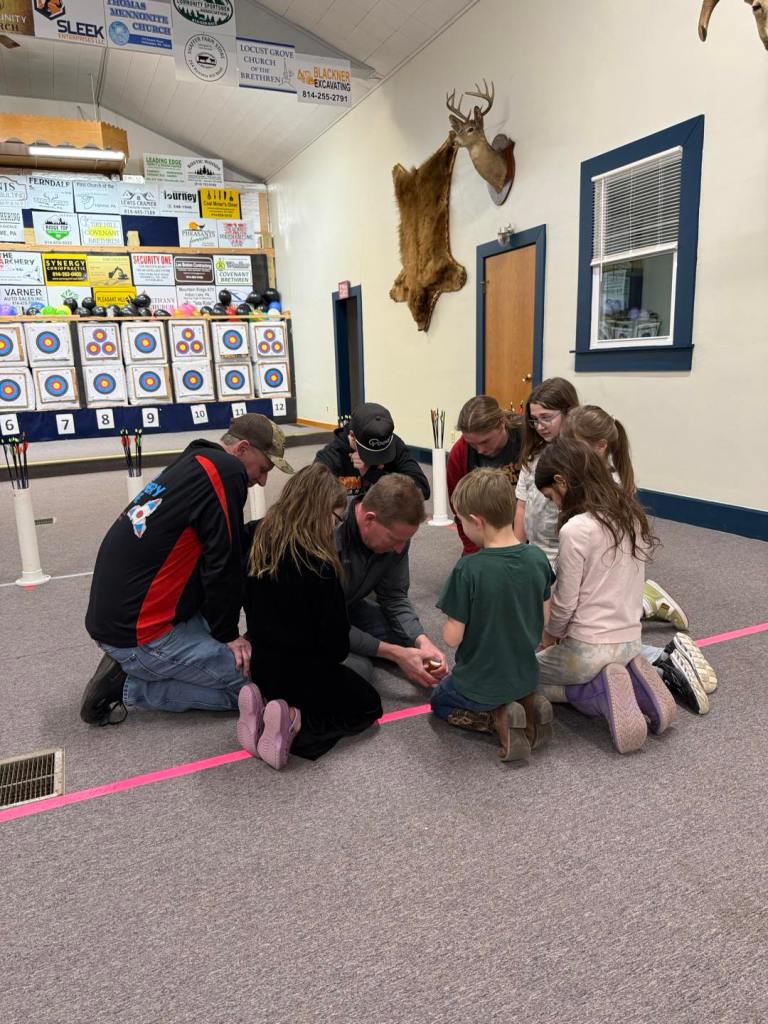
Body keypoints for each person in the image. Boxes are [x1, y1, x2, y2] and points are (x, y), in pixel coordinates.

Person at [80, 414, 294, 726]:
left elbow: (212, 547)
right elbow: (222, 562)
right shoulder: (227, 470)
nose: (262, 481)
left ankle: (133, 664)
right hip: (142, 633)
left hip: (125, 617)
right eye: (264, 468)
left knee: (247, 665)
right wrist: (228, 635)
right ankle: (126, 687)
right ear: (243, 449)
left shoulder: (196, 461)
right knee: (251, 690)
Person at [560, 404, 717, 711]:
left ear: (600, 446)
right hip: (616, 604)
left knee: (582, 655)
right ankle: (663, 655)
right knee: (605, 641)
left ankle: (662, 661)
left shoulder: (597, 492)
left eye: (574, 446)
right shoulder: (613, 487)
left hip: (602, 610)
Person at [533, 438, 678, 753]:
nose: (554, 504)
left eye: (550, 497)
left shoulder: (576, 529)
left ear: (562, 482)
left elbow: (565, 601)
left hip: (589, 650)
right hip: (630, 642)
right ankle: (633, 679)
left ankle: (596, 691)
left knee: (521, 675)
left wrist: (550, 635)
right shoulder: (630, 517)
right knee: (585, 663)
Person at [237, 464, 382, 770]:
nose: (336, 528)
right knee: (367, 705)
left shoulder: (256, 539)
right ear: (321, 512)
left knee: (302, 679)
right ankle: (292, 721)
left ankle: (263, 709)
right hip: (305, 673)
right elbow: (336, 644)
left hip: (264, 665)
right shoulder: (320, 565)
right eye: (336, 519)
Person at [431, 469, 556, 762]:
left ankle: (496, 718)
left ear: (477, 521)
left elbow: (453, 638)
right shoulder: (537, 558)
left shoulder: (469, 569)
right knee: (516, 685)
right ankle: (528, 703)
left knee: (440, 700)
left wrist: (450, 622)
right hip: (525, 674)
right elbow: (546, 618)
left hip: (478, 682)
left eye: (462, 521)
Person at [336, 473, 448, 689]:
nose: (399, 549)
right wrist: (396, 655)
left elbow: (394, 597)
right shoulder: (330, 533)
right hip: (310, 619)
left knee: (407, 639)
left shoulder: (396, 541)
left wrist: (421, 640)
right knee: (360, 671)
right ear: (369, 518)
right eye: (394, 539)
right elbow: (327, 622)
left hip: (349, 605)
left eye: (405, 541)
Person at [446, 395, 525, 554]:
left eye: (485, 441)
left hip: (527, 528)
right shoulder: (460, 453)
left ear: (502, 423)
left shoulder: (527, 438)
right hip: (486, 534)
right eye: (472, 444)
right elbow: (461, 512)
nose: (480, 450)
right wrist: (476, 553)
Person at [514, 377, 580, 564]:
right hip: (534, 551)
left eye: (546, 417)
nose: (540, 427)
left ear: (569, 413)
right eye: (534, 420)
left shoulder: (580, 460)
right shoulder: (533, 455)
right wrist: (516, 550)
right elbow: (522, 505)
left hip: (565, 554)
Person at [315, 401, 430, 499]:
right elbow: (313, 504)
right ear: (353, 436)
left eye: (384, 454)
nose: (379, 461)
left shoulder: (394, 443)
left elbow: (423, 490)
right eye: (370, 455)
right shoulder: (330, 458)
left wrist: (372, 473)